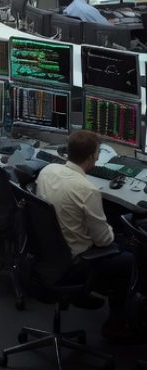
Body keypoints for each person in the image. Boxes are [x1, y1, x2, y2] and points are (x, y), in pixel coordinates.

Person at [35, 129, 133, 342]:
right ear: (92, 157)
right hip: (74, 262)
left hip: (46, 254)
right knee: (127, 254)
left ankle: (82, 293)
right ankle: (116, 324)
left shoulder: (48, 171)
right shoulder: (87, 190)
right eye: (97, 153)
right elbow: (104, 240)